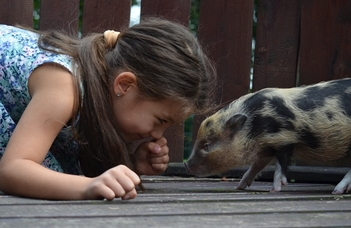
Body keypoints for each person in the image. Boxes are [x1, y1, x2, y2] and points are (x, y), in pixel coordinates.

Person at [0, 18, 216, 200]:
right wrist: (88, 187)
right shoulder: (64, 85)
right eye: (160, 120)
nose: (158, 135)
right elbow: (12, 170)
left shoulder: (92, 89)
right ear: (125, 86)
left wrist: (132, 164)